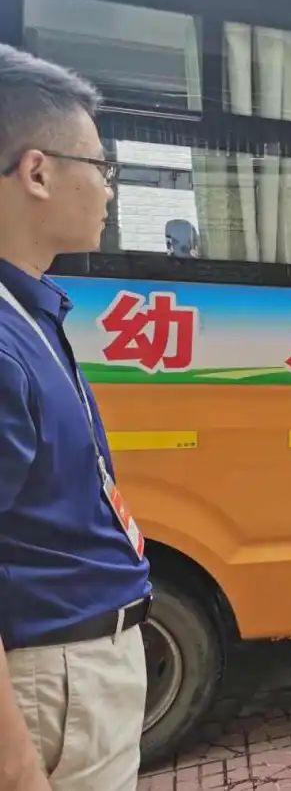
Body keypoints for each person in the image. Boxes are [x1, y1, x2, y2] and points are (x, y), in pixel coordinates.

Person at [0, 45, 152, 789]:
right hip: (49, 686)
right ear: (37, 171)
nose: (109, 192)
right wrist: (14, 760)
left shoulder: (27, 309)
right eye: (101, 168)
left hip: (70, 675)